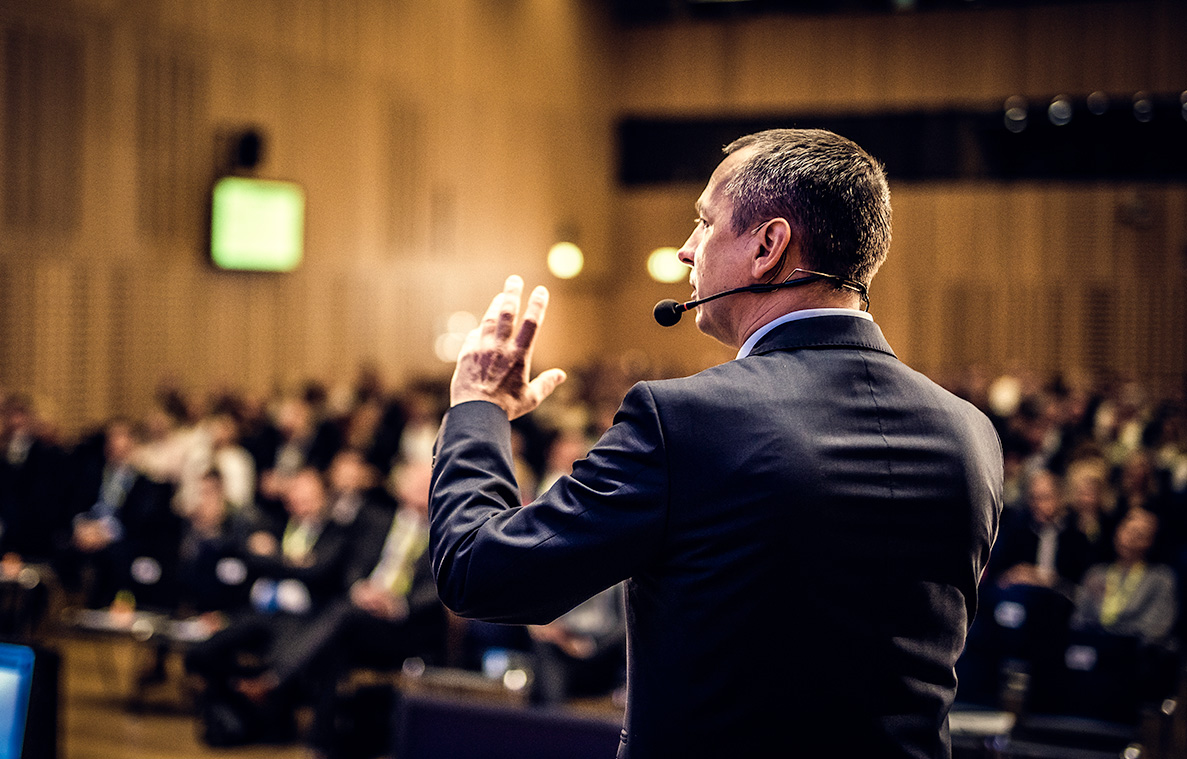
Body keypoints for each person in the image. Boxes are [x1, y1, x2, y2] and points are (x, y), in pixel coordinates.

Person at [429, 129, 1004, 758]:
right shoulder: (969, 434)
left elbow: (480, 573)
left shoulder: (687, 420)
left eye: (704, 223)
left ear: (768, 246)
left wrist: (479, 407)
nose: (685, 250)